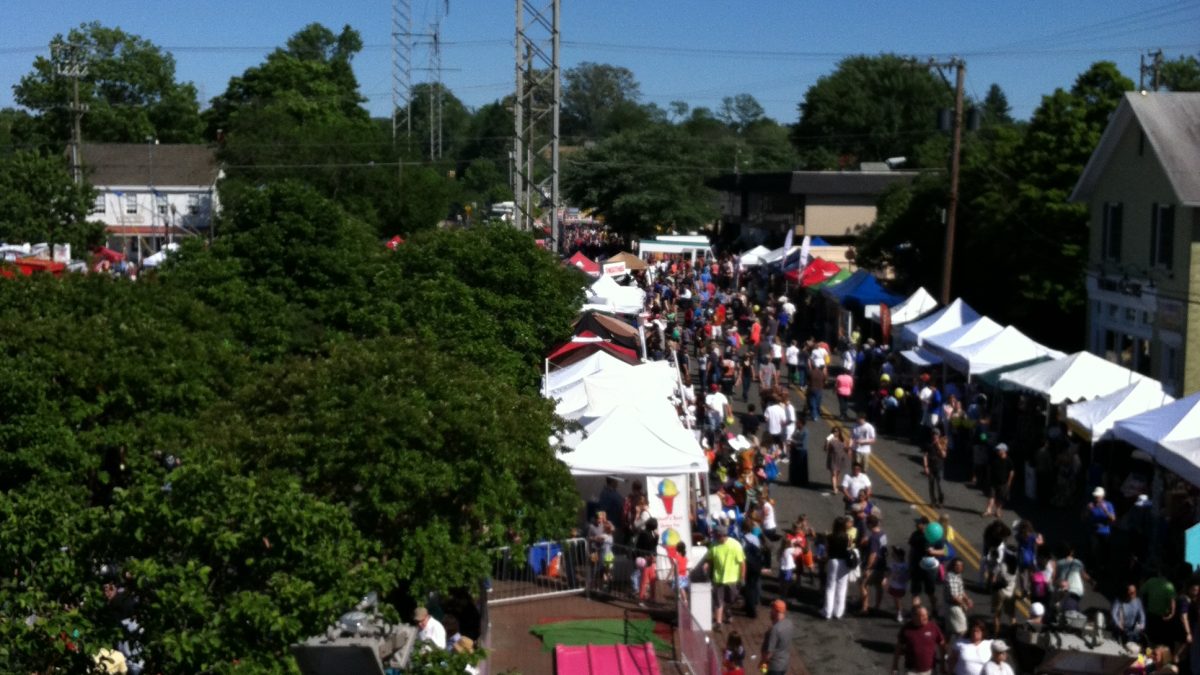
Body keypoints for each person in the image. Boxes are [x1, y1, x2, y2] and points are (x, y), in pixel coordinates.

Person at [705, 527, 746, 628]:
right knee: (718, 600)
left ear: (724, 536)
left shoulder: (735, 545)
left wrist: (742, 577)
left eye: (718, 536)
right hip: (718, 578)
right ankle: (719, 622)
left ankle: (728, 612)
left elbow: (742, 563)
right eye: (716, 536)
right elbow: (709, 559)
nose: (716, 538)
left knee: (730, 600)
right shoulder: (713, 545)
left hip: (732, 579)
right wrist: (706, 566)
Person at [892, 605, 946, 675]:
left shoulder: (933, 627)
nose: (926, 617)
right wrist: (895, 665)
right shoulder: (906, 629)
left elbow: (942, 644)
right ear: (914, 617)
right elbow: (898, 648)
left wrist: (942, 665)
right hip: (912, 671)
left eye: (926, 615)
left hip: (930, 670)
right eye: (923, 615)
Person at [823, 516, 854, 620]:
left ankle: (827, 612)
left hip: (833, 561)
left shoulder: (830, 537)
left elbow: (827, 551)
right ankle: (838, 612)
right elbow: (850, 550)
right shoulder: (848, 537)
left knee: (830, 587)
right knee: (842, 587)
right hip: (844, 562)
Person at [1084, 486, 1116, 584]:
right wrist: (1088, 510)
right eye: (1095, 496)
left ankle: (1105, 568)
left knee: (1105, 551)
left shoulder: (1108, 505)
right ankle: (1094, 568)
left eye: (1098, 496)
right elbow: (1083, 517)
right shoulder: (1091, 505)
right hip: (1094, 531)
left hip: (1105, 531)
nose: (1096, 498)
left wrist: (1105, 510)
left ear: (1102, 496)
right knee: (1093, 550)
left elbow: (1113, 519)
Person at [861, 514, 889, 615]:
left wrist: (868, 568)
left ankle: (865, 608)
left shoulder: (873, 537)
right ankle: (877, 606)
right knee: (878, 586)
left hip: (874, 566)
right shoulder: (882, 534)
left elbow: (873, 554)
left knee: (863, 585)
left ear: (870, 524)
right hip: (882, 564)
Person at [1142, 567, 1177, 646]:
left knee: (1149, 637)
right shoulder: (1169, 586)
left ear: (1159, 573)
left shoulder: (1151, 581)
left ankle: (1148, 653)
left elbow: (1141, 592)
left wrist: (1143, 607)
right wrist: (1172, 614)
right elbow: (1172, 602)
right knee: (1159, 639)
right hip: (1162, 616)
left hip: (1150, 614)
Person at [760, 599, 795, 675]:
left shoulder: (775, 630)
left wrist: (762, 663)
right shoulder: (789, 623)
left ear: (776, 611)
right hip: (784, 664)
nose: (770, 612)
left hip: (773, 667)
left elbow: (769, 654)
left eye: (772, 610)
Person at [945, 558, 973, 641]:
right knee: (962, 630)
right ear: (952, 566)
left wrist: (967, 599)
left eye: (961, 565)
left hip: (955, 606)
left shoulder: (957, 575)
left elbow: (961, 591)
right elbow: (954, 596)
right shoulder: (951, 578)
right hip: (954, 607)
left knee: (949, 631)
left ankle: (946, 651)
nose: (959, 567)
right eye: (957, 565)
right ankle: (959, 647)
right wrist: (964, 604)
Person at [983, 444, 1014, 519]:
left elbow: (1011, 472)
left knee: (1000, 498)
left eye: (999, 450)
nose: (997, 451)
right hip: (993, 482)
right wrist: (988, 478)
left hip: (1003, 483)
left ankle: (997, 510)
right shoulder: (994, 459)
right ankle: (988, 510)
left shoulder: (1008, 460)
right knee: (991, 496)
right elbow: (989, 468)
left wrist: (1009, 482)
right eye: (997, 450)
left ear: (1004, 450)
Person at [923, 428, 949, 508]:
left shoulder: (942, 443)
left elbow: (944, 455)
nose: (935, 436)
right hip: (931, 467)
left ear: (939, 435)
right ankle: (933, 502)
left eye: (936, 434)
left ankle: (941, 501)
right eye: (934, 434)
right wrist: (926, 467)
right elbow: (925, 456)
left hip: (939, 468)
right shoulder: (928, 444)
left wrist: (938, 445)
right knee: (931, 486)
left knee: (940, 486)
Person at [887, 546, 911, 623]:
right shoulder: (897, 564)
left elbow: (908, 575)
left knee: (897, 600)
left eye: (894, 553)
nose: (892, 554)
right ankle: (899, 612)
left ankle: (899, 613)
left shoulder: (901, 565)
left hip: (899, 586)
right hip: (895, 585)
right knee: (896, 599)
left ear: (898, 556)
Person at [825, 427, 851, 494]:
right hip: (833, 458)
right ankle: (834, 489)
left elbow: (845, 448)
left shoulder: (842, 439)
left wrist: (849, 447)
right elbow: (826, 449)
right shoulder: (830, 439)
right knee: (833, 473)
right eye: (834, 431)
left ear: (839, 432)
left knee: (838, 474)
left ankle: (836, 485)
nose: (835, 432)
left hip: (841, 458)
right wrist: (827, 441)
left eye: (836, 431)